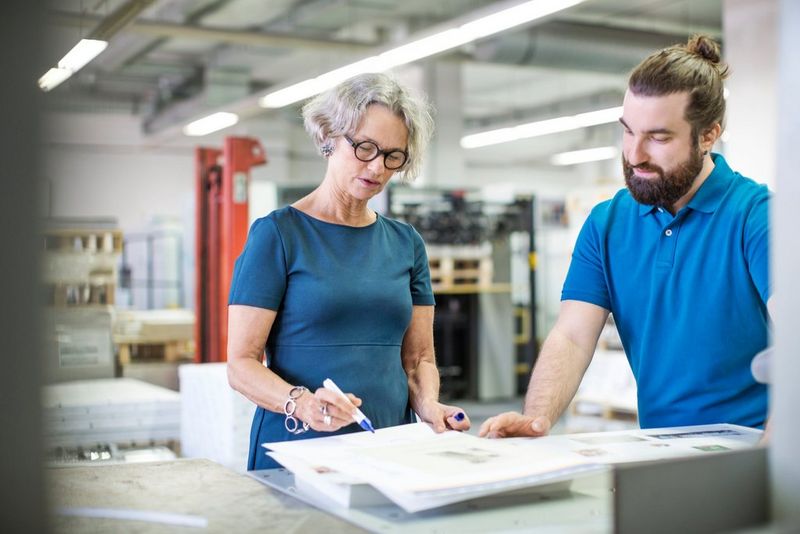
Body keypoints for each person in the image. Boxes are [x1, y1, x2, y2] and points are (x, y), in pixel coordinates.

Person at [480, 35, 772, 439]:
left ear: (708, 135)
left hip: (753, 441)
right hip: (658, 446)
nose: (635, 155)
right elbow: (572, 336)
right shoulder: (607, 223)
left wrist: (774, 454)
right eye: (628, 132)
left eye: (659, 137)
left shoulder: (758, 216)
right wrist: (535, 419)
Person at [227, 73, 470, 470]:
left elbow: (418, 359)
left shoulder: (406, 243)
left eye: (393, 156)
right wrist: (302, 403)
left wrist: (429, 405)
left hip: (389, 443)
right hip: (299, 448)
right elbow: (241, 364)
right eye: (365, 147)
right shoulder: (278, 235)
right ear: (329, 137)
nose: (377, 167)